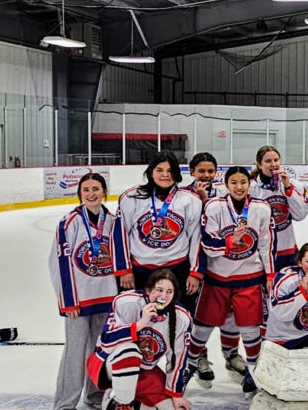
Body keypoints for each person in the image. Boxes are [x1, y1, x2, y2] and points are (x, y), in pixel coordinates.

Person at [188, 166, 275, 391]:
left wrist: (270, 274)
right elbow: (206, 242)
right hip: (217, 279)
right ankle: (187, 368)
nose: (239, 187)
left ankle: (255, 375)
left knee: (250, 329)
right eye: (234, 182)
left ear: (249, 184)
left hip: (249, 278)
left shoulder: (261, 208)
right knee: (202, 328)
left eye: (243, 182)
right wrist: (228, 243)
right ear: (226, 185)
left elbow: (266, 244)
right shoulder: (214, 206)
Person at [48, 173, 123, 410]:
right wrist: (68, 301)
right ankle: (64, 403)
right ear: (79, 194)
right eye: (86, 190)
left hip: (106, 297)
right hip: (79, 301)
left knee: (100, 350)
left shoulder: (112, 221)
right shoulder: (69, 223)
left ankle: (95, 395)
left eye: (96, 188)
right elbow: (59, 263)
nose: (91, 193)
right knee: (75, 351)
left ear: (104, 192)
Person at [87, 269, 192, 410]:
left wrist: (176, 393)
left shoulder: (181, 317)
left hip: (144, 371)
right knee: (130, 351)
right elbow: (106, 341)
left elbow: (178, 359)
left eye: (169, 291)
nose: (163, 295)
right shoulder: (125, 302)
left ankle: (124, 402)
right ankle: (123, 406)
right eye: (159, 290)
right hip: (109, 365)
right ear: (148, 290)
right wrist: (140, 324)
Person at [184, 152, 248, 382]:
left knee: (230, 311)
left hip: (223, 263)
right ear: (191, 172)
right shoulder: (183, 195)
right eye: (201, 171)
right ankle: (199, 356)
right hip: (196, 262)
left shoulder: (225, 193)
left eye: (211, 171)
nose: (206, 175)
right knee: (199, 315)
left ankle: (231, 354)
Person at [115, 151, 203, 307]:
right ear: (151, 172)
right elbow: (120, 235)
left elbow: (196, 238)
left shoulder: (190, 200)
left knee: (178, 320)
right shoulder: (131, 197)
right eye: (160, 170)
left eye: (170, 171)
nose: (165, 175)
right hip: (139, 272)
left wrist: (195, 273)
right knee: (141, 320)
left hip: (177, 270)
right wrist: (124, 270)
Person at [249, 145, 308, 271]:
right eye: (268, 161)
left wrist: (287, 188)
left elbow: (300, 215)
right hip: (262, 251)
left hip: (287, 249)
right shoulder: (251, 188)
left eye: (276, 160)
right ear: (259, 164)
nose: (273, 164)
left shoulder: (292, 184)